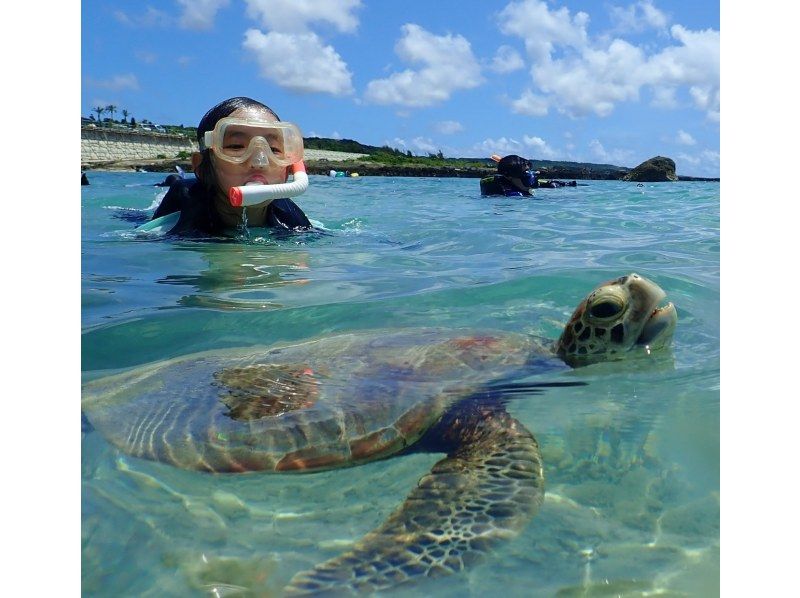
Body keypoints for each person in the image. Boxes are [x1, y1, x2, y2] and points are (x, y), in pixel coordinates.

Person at [151, 96, 312, 236]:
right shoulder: (184, 206)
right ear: (201, 166)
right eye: (236, 147)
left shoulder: (291, 219)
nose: (260, 162)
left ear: (288, 169)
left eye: (274, 149)